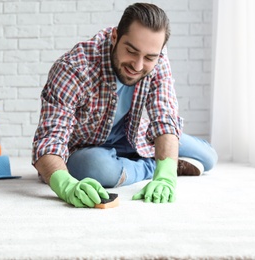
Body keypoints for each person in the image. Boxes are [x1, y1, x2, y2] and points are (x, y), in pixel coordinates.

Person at [32, 3, 218, 207]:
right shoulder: (74, 68)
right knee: (95, 168)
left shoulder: (158, 57)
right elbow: (49, 140)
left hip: (134, 134)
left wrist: (166, 177)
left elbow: (164, 116)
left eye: (149, 57)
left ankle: (160, 162)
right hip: (88, 148)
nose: (138, 65)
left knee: (208, 158)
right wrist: (65, 185)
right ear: (114, 37)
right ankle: (152, 164)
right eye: (131, 51)